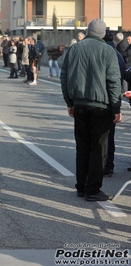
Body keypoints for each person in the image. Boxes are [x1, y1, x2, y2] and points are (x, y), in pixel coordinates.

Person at [61, 18, 122, 201]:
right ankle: (92, 190)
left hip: (79, 104)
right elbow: (113, 81)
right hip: (101, 106)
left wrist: (69, 102)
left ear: (87, 31)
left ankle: (81, 186)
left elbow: (64, 77)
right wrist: (116, 107)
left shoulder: (74, 49)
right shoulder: (108, 51)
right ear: (103, 34)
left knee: (82, 147)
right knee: (98, 148)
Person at [102, 30, 125, 177]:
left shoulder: (104, 54)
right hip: (114, 99)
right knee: (110, 135)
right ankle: (109, 165)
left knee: (102, 136)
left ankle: (104, 165)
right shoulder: (118, 55)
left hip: (103, 99)